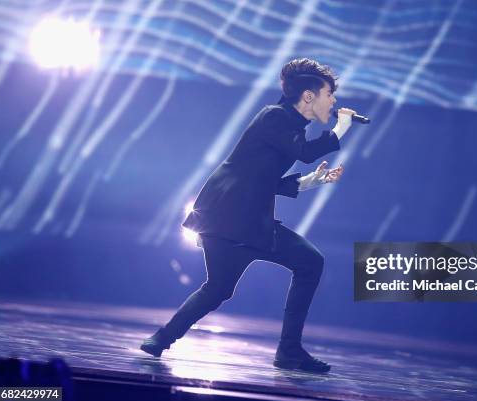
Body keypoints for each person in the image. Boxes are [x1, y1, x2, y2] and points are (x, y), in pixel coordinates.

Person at [140, 58, 355, 373]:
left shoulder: (285, 126)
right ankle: (289, 351)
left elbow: (262, 179)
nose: (334, 101)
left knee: (217, 288)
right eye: (329, 94)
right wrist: (341, 128)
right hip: (239, 221)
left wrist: (311, 181)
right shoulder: (275, 117)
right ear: (308, 96)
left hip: (230, 221)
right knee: (311, 263)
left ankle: (160, 339)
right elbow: (306, 153)